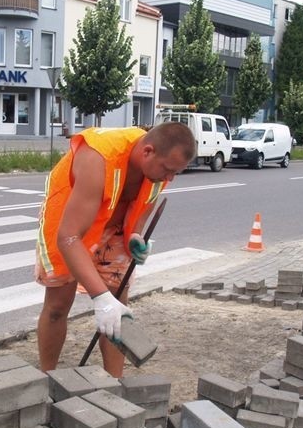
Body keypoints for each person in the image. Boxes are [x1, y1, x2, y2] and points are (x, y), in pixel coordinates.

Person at [35, 123, 196, 378]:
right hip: (71, 223)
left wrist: (135, 237)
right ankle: (46, 377)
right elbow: (69, 236)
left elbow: (142, 208)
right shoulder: (97, 158)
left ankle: (115, 385)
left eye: (175, 173)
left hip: (114, 228)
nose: (170, 179)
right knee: (57, 306)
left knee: (116, 311)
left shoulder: (158, 169)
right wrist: (100, 298)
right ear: (148, 152)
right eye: (167, 170)